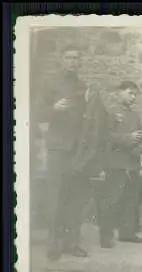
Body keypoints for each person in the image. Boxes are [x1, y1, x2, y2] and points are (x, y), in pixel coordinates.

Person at [40, 45, 108, 260]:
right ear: (61, 60)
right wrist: (52, 109)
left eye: (76, 58)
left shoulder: (83, 86)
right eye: (68, 57)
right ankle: (54, 244)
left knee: (76, 198)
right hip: (58, 148)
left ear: (80, 62)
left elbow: (91, 117)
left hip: (79, 152)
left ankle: (72, 243)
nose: (72, 61)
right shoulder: (50, 84)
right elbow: (31, 111)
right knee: (56, 197)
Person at [98, 81, 142, 248]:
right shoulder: (110, 112)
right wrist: (129, 138)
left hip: (133, 163)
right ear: (119, 92)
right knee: (111, 200)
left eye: (135, 94)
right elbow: (105, 136)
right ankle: (105, 236)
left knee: (130, 200)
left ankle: (127, 233)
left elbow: (140, 136)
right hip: (116, 162)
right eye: (130, 93)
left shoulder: (135, 115)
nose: (133, 97)